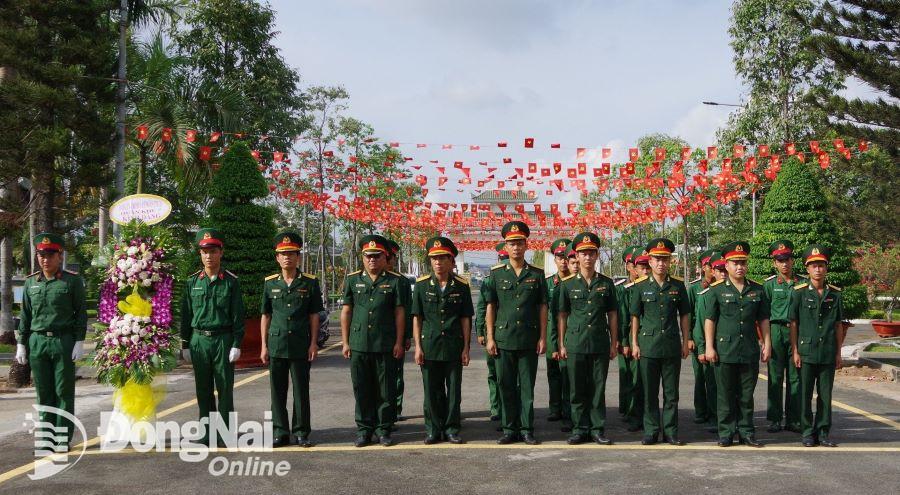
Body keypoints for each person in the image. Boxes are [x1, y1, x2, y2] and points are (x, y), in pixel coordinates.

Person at [15, 233, 87, 452]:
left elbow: (80, 313)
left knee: (63, 392)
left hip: (63, 341)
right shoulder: (30, 283)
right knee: (43, 392)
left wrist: (79, 341)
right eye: (41, 255)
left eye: (50, 255)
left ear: (60, 255)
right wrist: (21, 343)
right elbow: (25, 315)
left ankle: (62, 439)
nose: (45, 259)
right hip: (38, 343)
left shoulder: (72, 281)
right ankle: (47, 438)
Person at [483, 221, 548, 445]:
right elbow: (490, 307)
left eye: (520, 243)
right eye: (512, 243)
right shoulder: (496, 274)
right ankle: (509, 429)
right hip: (504, 339)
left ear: (526, 245)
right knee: (506, 385)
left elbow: (543, 307)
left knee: (527, 388)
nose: (516, 247)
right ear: (506, 246)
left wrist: (542, 337)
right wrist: (490, 337)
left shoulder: (537, 275)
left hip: (529, 339)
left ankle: (527, 428)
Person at [180, 228, 246, 446]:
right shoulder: (191, 282)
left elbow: (238, 315)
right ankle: (206, 433)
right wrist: (185, 344)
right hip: (199, 340)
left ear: (221, 252)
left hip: (223, 340)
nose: (209, 256)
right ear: (200, 254)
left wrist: (237, 343)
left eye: (213, 251)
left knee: (225, 388)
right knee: (203, 389)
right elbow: (186, 314)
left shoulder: (231, 282)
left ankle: (226, 434)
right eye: (205, 251)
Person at [340, 234, 406, 447]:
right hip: (359, 343)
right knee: (362, 388)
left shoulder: (394, 281)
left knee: (385, 389)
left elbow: (399, 313)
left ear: (385, 257)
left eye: (377, 256)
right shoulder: (352, 280)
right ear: (362, 257)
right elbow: (346, 311)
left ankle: (383, 429)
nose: (372, 260)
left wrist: (399, 341)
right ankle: (364, 429)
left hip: (385, 343)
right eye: (368, 256)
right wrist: (345, 341)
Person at [704, 241, 772, 448]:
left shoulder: (758, 290)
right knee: (725, 394)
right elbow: (710, 320)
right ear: (726, 265)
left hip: (749, 349)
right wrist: (709, 346)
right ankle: (726, 432)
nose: (739, 266)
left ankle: (746, 432)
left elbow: (763, 320)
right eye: (735, 263)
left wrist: (767, 343)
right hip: (724, 350)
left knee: (746, 394)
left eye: (742, 262)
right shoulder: (716, 290)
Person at [260, 231, 323, 448]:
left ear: (299, 257)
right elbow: (265, 315)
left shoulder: (310, 283)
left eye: (292, 253)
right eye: (283, 253)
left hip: (300, 344)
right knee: (277, 391)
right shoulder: (269, 284)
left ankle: (301, 432)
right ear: (277, 257)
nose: (287, 257)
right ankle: (280, 432)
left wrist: (314, 342)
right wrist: (263, 346)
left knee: (300, 391)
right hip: (276, 344)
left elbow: (314, 315)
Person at [411, 236, 474, 444]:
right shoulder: (421, 285)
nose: (438, 262)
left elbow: (465, 318)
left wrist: (466, 347)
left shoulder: (461, 286)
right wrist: (417, 347)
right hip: (429, 345)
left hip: (454, 345)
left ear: (451, 260)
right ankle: (433, 429)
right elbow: (417, 318)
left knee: (454, 391)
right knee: (431, 391)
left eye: (442, 258)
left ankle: (451, 428)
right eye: (434, 258)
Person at [557, 232, 618, 445]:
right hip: (575, 342)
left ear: (597, 255)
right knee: (577, 389)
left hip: (600, 342)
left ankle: (597, 429)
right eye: (583, 253)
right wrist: (562, 344)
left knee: (598, 388)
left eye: (591, 253)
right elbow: (563, 315)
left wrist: (614, 342)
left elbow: (612, 314)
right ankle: (579, 429)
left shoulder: (607, 284)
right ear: (577, 255)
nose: (587, 257)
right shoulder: (566, 285)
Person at [630, 239, 691, 446]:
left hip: (672, 345)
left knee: (671, 393)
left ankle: (671, 431)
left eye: (665, 259)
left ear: (670, 261)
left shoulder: (678, 286)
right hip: (648, 346)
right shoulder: (640, 287)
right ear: (650, 260)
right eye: (657, 259)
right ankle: (651, 431)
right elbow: (635, 317)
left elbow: (684, 315)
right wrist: (635, 343)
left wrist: (685, 341)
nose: (661, 263)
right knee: (649, 393)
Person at [790, 245, 844, 447]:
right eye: (813, 266)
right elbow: (793, 323)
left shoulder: (835, 294)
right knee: (805, 394)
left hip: (828, 352)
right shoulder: (799, 293)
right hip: (806, 352)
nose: (818, 270)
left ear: (826, 268)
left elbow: (838, 325)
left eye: (821, 265)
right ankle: (806, 432)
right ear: (807, 269)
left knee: (825, 395)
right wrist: (795, 350)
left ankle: (822, 432)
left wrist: (838, 352)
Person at [764, 240, 803, 433]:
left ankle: (794, 419)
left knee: (796, 378)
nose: (784, 263)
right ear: (775, 263)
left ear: (792, 260)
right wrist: (765, 342)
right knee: (775, 377)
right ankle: (774, 419)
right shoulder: (770, 285)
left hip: (797, 333)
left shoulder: (803, 283)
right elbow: (763, 316)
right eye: (780, 260)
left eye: (787, 259)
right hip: (776, 331)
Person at [475, 242, 508, 423]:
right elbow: (482, 308)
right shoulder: (489, 280)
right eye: (502, 260)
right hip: (492, 333)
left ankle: (511, 409)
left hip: (511, 334)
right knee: (494, 373)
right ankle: (496, 407)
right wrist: (481, 332)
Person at [545, 238, 572, 428]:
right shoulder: (547, 283)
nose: (562, 261)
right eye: (559, 257)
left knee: (570, 376)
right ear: (554, 259)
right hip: (551, 333)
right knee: (553, 373)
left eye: (565, 257)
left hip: (572, 334)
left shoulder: (575, 282)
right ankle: (555, 408)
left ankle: (569, 409)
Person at [687, 249, 716, 426]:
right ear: (703, 267)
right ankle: (700, 410)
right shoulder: (695, 288)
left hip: (714, 336)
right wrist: (689, 337)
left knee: (713, 378)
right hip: (698, 337)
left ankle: (714, 412)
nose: (711, 269)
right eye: (708, 265)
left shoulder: (721, 285)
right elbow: (689, 314)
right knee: (700, 376)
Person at [616, 245, 644, 431]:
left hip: (646, 339)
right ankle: (629, 410)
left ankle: (638, 413)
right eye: (639, 266)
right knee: (629, 378)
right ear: (630, 267)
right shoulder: (625, 289)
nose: (643, 270)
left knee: (641, 379)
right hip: (629, 338)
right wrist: (623, 341)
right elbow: (622, 317)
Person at [386, 239, 412, 422]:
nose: (387, 261)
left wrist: (407, 336)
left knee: (396, 375)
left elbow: (408, 309)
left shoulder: (401, 282)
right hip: (375, 337)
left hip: (397, 335)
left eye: (390, 257)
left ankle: (395, 409)